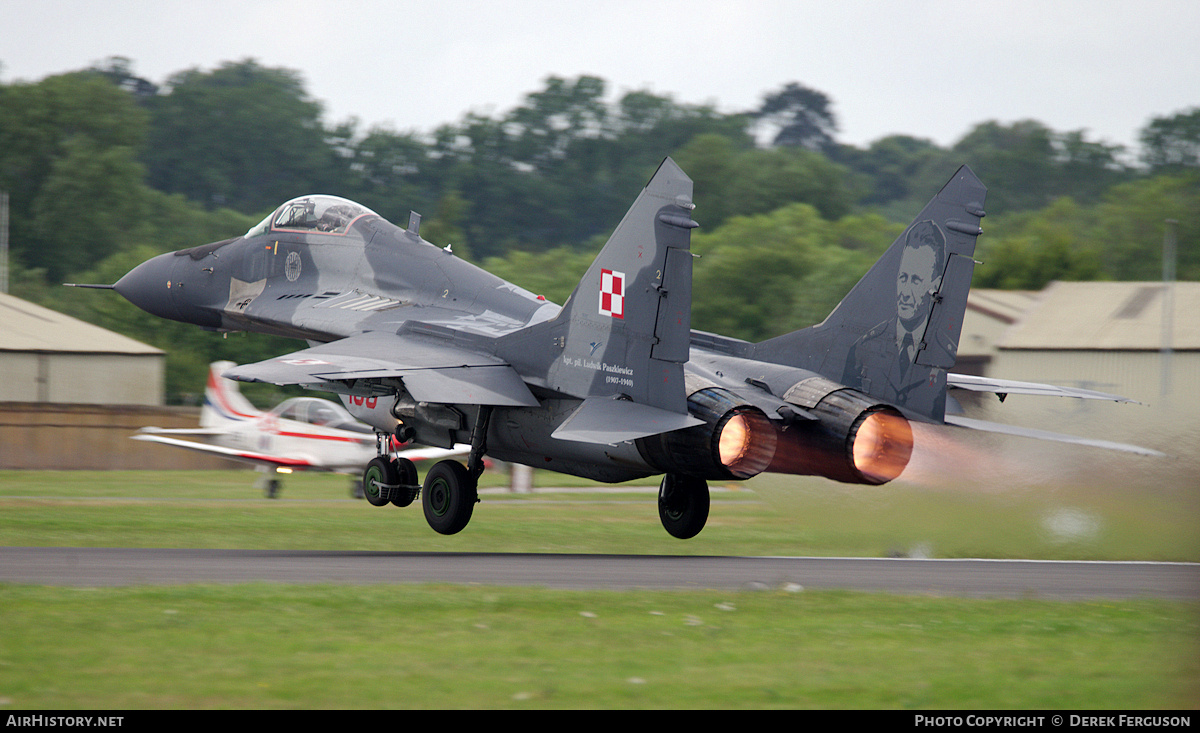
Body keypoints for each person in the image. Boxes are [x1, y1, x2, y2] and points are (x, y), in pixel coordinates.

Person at [842, 220, 946, 410]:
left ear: (936, 285)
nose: (905, 292)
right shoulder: (862, 348)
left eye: (916, 280)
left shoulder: (939, 358)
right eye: (903, 278)